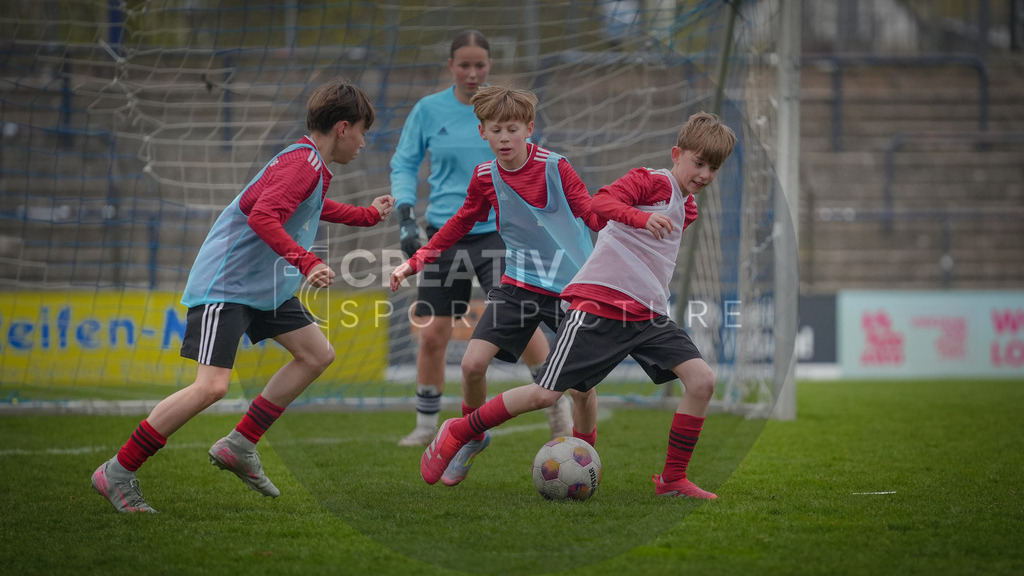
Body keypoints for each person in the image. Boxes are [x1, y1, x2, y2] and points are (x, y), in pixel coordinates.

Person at [90, 77, 395, 513]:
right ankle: (117, 471)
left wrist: (365, 216)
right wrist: (306, 262)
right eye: (363, 132)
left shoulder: (309, 165)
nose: (364, 143)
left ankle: (239, 444)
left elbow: (307, 207)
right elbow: (264, 216)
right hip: (228, 285)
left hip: (263, 288)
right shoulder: (302, 165)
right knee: (211, 387)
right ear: (343, 127)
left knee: (317, 354)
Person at [418, 111, 737, 499]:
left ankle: (672, 481)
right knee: (546, 395)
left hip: (647, 314)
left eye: (713, 168)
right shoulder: (651, 181)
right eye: (698, 163)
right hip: (599, 306)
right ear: (677, 154)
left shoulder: (687, 209)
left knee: (702, 381)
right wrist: (637, 217)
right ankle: (460, 429)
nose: (703, 174)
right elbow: (601, 202)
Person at [390, 85, 606, 487]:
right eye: (495, 130)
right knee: (472, 364)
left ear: (529, 128)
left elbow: (591, 215)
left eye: (511, 129)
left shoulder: (556, 167)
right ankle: (473, 436)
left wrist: (631, 226)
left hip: (571, 289)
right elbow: (460, 222)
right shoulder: (485, 175)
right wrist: (415, 261)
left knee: (582, 388)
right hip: (519, 284)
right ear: (482, 133)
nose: (504, 138)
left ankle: (585, 457)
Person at [390, 30, 570, 447]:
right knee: (433, 333)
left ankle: (555, 407)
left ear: (489, 65)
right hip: (445, 232)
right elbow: (404, 163)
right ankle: (425, 424)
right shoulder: (428, 110)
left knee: (521, 326)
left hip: (500, 237)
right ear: (450, 66)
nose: (473, 73)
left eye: (480, 65)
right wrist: (404, 213)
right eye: (464, 65)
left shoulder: (499, 111)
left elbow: (530, 166)